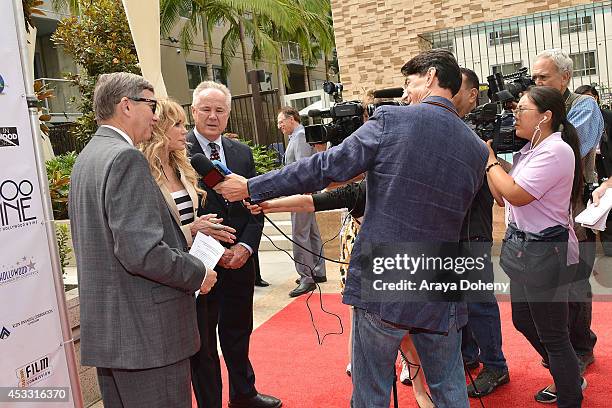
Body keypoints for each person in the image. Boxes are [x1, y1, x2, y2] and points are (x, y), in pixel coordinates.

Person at [214, 49, 488, 408]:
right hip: (440, 275)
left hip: (387, 274)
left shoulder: (394, 119)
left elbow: (324, 167)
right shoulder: (476, 148)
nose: (405, 92)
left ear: (432, 76)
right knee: (450, 389)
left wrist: (252, 186)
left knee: (371, 391)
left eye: (410, 82)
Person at [68, 72, 217, 407]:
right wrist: (197, 273)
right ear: (126, 106)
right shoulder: (126, 158)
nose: (155, 115)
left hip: (115, 336)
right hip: (148, 338)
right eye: (150, 105)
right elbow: (142, 252)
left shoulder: (87, 158)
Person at [486, 86, 585, 406]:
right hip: (524, 250)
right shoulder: (529, 150)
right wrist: (489, 161)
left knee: (554, 335)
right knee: (523, 320)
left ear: (545, 117)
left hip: (546, 252)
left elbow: (516, 193)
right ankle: (567, 372)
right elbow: (502, 197)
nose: (514, 115)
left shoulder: (556, 151)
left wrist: (489, 163)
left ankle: (570, 389)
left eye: (522, 110)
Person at [187, 81, 280, 408]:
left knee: (238, 332)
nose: (213, 116)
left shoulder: (241, 153)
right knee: (204, 345)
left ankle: (244, 394)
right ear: (193, 110)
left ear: (228, 115)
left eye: (220, 110)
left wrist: (246, 248)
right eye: (206, 109)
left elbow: (255, 207)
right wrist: (212, 248)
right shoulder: (177, 150)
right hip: (201, 265)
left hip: (240, 260)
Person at [532, 49, 604, 374]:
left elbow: (570, 150)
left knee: (574, 281)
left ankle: (581, 348)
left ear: (566, 78)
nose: (536, 84)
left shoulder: (583, 106)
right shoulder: (542, 111)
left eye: (543, 78)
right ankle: (569, 344)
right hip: (545, 210)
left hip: (575, 208)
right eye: (533, 78)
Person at [453, 68, 509, 396]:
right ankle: (468, 356)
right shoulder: (449, 125)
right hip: (449, 228)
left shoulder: (481, 132)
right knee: (458, 300)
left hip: (473, 228)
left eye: (454, 87)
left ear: (473, 93)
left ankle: (496, 366)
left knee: (479, 302)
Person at [139, 98, 237, 249]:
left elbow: (188, 218)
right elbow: (143, 235)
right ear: (158, 127)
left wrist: (206, 228)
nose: (185, 130)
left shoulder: (182, 166)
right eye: (177, 124)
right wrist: (192, 229)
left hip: (193, 263)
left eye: (183, 124)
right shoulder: (140, 172)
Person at [278, 106, 327, 297]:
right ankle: (318, 271)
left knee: (300, 235)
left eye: (281, 121)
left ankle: (307, 277)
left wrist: (300, 195)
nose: (279, 125)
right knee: (312, 233)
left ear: (292, 119)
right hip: (306, 193)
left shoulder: (299, 136)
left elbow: (302, 167)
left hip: (301, 193)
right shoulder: (299, 136)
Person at [575, 85, 612, 256]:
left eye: (590, 99)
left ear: (597, 99)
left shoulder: (608, 119)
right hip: (589, 176)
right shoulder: (576, 121)